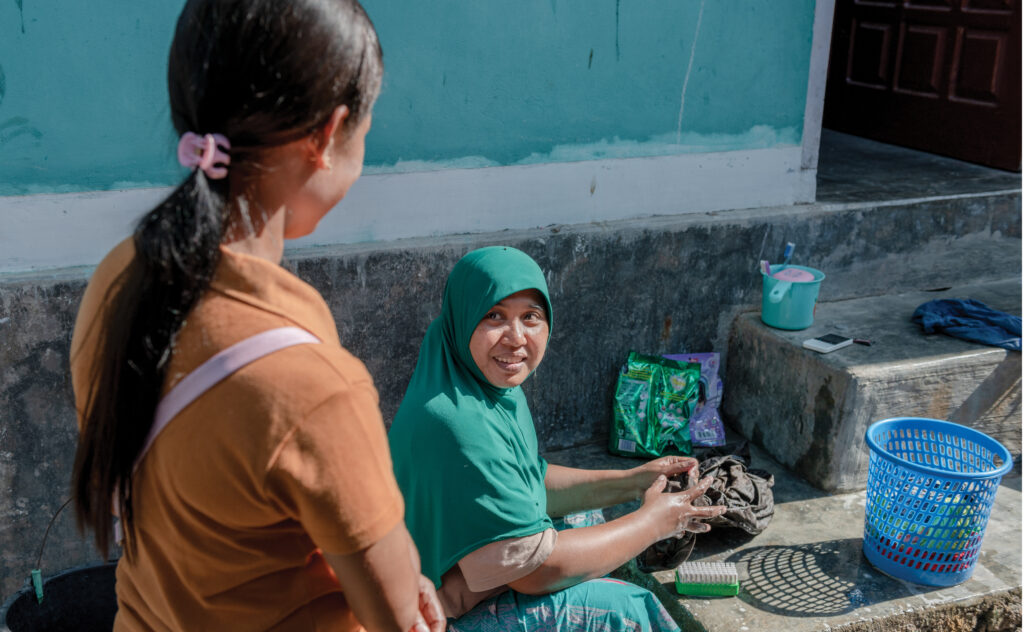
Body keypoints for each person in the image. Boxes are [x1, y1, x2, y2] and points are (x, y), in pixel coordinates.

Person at [69, 1, 443, 630]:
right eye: (365, 134)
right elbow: (397, 617)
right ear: (327, 135)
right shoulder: (314, 389)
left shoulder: (120, 279)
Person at [388, 246, 726, 629]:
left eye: (530, 317)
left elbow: (529, 480)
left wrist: (634, 482)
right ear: (462, 318)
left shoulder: (475, 381)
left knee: (585, 519)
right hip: (436, 620)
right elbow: (536, 571)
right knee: (627, 611)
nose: (516, 339)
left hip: (469, 580)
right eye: (493, 316)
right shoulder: (457, 421)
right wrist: (653, 523)